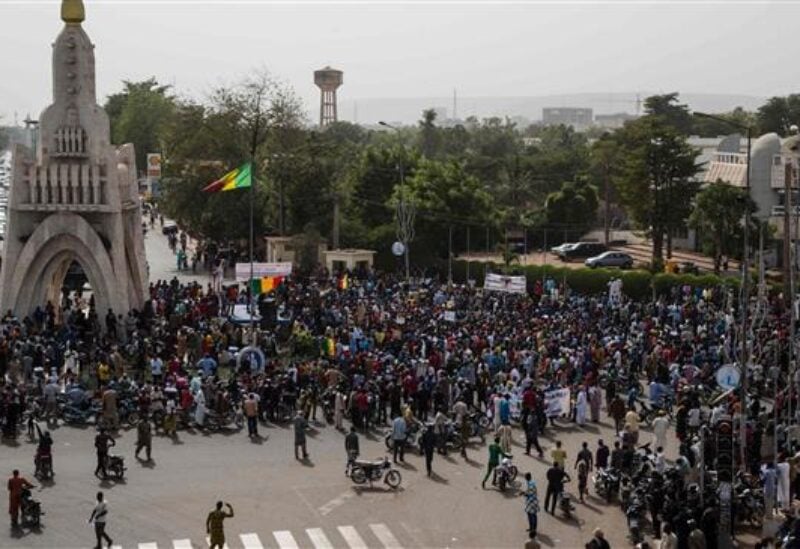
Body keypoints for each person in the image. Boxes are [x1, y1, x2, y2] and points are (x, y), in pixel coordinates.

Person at [523, 472, 539, 538]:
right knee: (530, 515)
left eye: (525, 477)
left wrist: (524, 494)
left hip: (532, 502)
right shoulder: (530, 483)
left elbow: (530, 493)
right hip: (530, 501)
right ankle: (531, 527)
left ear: (527, 477)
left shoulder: (531, 484)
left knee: (533, 516)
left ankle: (534, 529)